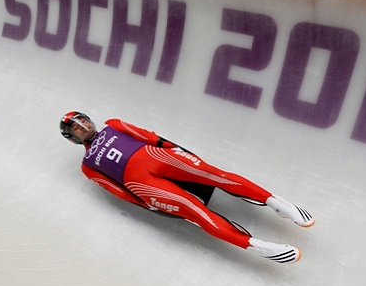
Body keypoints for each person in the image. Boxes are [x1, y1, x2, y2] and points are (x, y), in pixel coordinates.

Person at [60, 111, 315, 264]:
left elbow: (146, 135)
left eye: (83, 122)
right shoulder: (88, 166)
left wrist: (172, 147)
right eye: (77, 129)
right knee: (194, 210)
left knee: (215, 175)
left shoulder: (113, 124)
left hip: (155, 156)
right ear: (73, 139)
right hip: (143, 185)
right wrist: (145, 203)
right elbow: (116, 189)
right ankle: (256, 246)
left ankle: (277, 203)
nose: (83, 128)